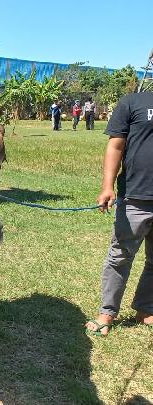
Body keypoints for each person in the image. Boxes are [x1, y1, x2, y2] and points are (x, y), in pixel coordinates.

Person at [85, 91, 153, 337]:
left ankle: (145, 309)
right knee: (120, 257)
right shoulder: (133, 102)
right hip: (136, 196)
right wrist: (107, 186)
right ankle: (107, 313)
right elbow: (116, 144)